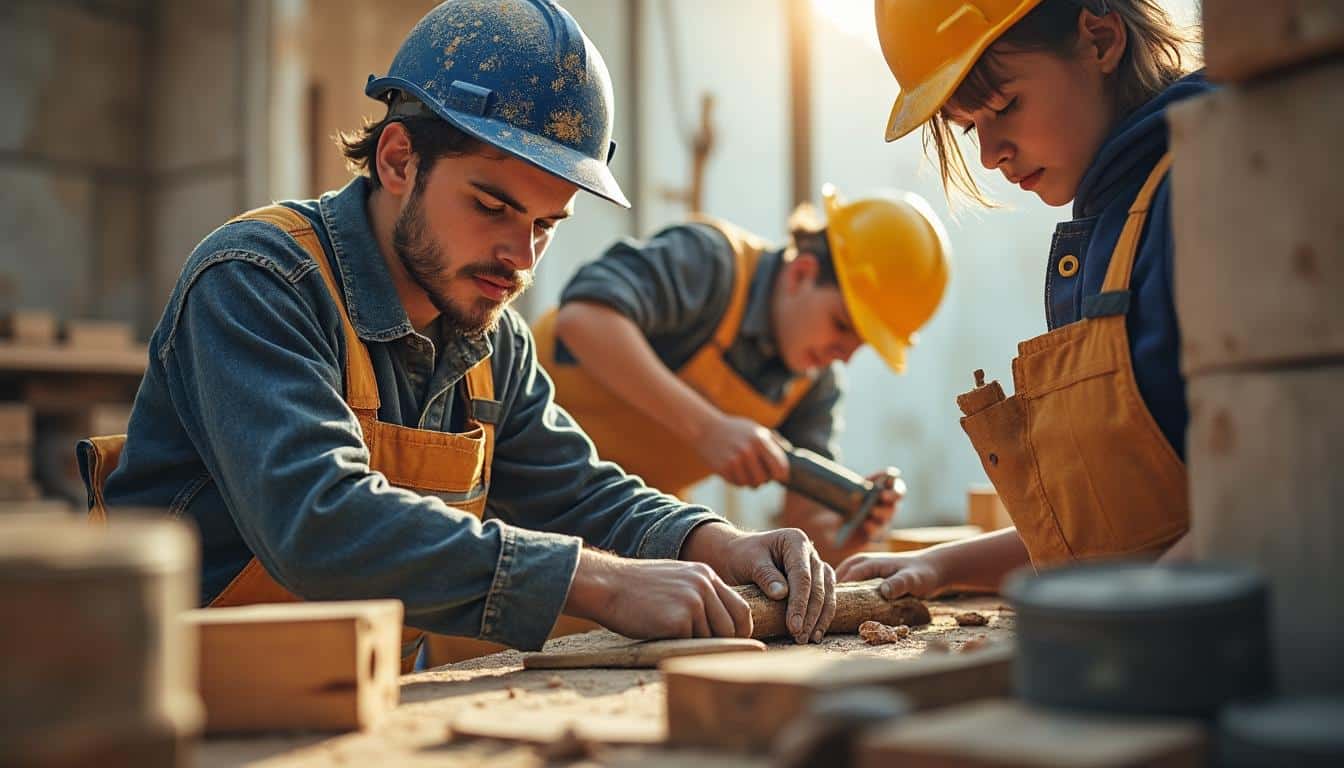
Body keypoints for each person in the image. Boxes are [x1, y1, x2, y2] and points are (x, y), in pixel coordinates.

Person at [77, 0, 835, 673]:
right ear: (399, 158)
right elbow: (316, 521)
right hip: (172, 708)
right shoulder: (255, 281)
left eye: (545, 225)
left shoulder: (485, 334)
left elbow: (575, 490)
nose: (521, 257)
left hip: (354, 702)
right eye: (492, 206)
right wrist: (600, 582)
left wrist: (712, 541)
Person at [841, 0, 1204, 596]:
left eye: (1006, 105)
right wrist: (943, 566)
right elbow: (1113, 528)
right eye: (969, 126)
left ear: (1101, 41)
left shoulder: (1203, 188)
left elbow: (1276, 480)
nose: (989, 155)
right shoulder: (1111, 227)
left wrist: (1141, 620)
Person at [533, 185, 950, 564]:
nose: (844, 354)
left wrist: (850, 529)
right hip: (515, 478)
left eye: (863, 345)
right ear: (802, 272)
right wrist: (708, 430)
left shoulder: (814, 385)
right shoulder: (709, 262)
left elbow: (805, 527)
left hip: (620, 529)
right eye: (843, 325)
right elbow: (584, 317)